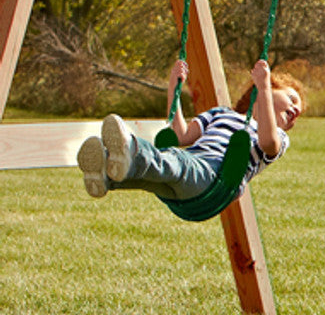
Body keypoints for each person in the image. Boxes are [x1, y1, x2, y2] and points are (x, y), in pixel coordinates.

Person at [75, 58, 303, 206]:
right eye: (292, 99)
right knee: (154, 177)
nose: (295, 109)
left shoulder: (279, 136)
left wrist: (263, 87)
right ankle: (105, 174)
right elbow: (181, 136)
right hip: (186, 185)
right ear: (271, 86)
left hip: (215, 180)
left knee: (175, 161)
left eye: (298, 112)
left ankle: (132, 148)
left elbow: (267, 144)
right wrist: (173, 90)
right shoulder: (220, 114)